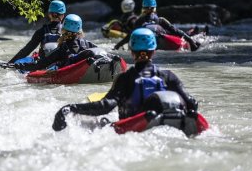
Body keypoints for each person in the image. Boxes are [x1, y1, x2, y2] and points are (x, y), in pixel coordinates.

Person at [52, 28, 199, 131]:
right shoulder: (168, 76)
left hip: (133, 129)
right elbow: (191, 103)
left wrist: (70, 108)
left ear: (131, 51)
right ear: (154, 50)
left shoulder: (126, 78)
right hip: (165, 126)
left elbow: (106, 106)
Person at [14, 14, 98, 72]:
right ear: (80, 30)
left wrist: (22, 66)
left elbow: (41, 64)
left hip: (70, 72)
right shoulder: (88, 44)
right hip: (85, 69)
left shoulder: (62, 48)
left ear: (63, 29)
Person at [132, 0, 200, 51]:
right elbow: (177, 31)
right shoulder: (160, 20)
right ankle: (190, 34)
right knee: (173, 32)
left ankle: (191, 34)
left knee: (171, 32)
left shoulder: (139, 21)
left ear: (143, 8)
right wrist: (191, 41)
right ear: (155, 8)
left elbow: (131, 35)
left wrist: (121, 44)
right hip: (163, 37)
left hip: (162, 38)